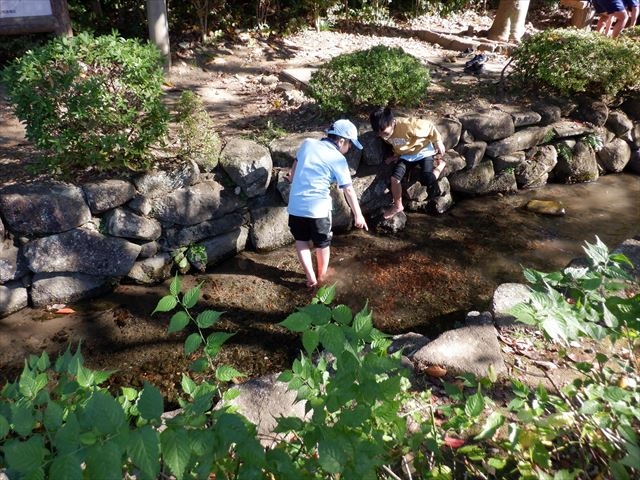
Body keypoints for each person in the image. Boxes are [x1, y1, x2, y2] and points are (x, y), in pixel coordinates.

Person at [286, 119, 369, 288]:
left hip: (295, 207)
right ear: (341, 141)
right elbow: (348, 190)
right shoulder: (337, 158)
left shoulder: (307, 143)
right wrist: (358, 215)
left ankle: (310, 277)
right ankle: (322, 275)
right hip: (318, 210)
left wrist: (292, 178)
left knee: (301, 240)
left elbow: (294, 166)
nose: (350, 148)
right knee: (322, 243)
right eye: (350, 144)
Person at [369, 106, 447, 220]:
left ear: (392, 123)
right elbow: (397, 144)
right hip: (406, 155)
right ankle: (398, 205)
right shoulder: (383, 131)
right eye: (379, 134)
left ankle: (441, 165)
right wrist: (395, 156)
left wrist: (438, 141)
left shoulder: (409, 125)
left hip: (423, 151)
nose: (383, 136)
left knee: (427, 179)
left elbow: (430, 127)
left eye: (385, 133)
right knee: (394, 179)